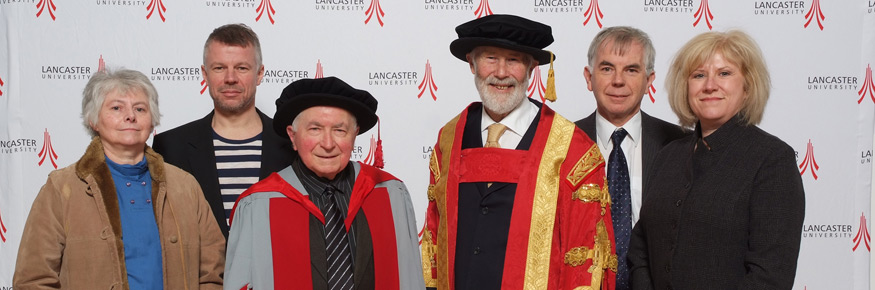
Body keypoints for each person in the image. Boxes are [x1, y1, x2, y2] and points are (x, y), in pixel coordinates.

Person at [420, 14, 616, 290]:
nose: (501, 73)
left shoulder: (571, 149)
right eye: (490, 58)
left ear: (532, 66)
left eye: (513, 60)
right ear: (471, 63)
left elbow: (586, 259)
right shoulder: (449, 139)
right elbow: (434, 236)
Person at [13, 68, 225, 289]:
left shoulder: (184, 186)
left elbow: (212, 272)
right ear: (93, 120)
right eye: (116, 107)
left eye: (140, 109)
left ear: (152, 121)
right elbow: (34, 279)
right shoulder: (62, 187)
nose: (130, 116)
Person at [627, 30, 805, 289]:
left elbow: (770, 275)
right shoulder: (669, 155)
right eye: (699, 75)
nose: (710, 85)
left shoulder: (772, 160)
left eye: (724, 73)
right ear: (685, 86)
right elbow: (641, 247)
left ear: (747, 86)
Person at [224, 77, 425, 290]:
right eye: (315, 129)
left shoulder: (391, 194)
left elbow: (410, 279)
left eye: (340, 130)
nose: (328, 144)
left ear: (355, 135)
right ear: (292, 136)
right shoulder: (257, 205)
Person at [152, 23, 296, 239]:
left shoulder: (292, 145)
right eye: (219, 68)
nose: (230, 78)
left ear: (259, 74)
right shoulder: (170, 146)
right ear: (205, 74)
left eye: (242, 68)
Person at [573, 26, 687, 290]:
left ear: (649, 80)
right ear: (589, 78)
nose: (618, 81)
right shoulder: (562, 144)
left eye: (632, 70)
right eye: (607, 68)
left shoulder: (681, 145)